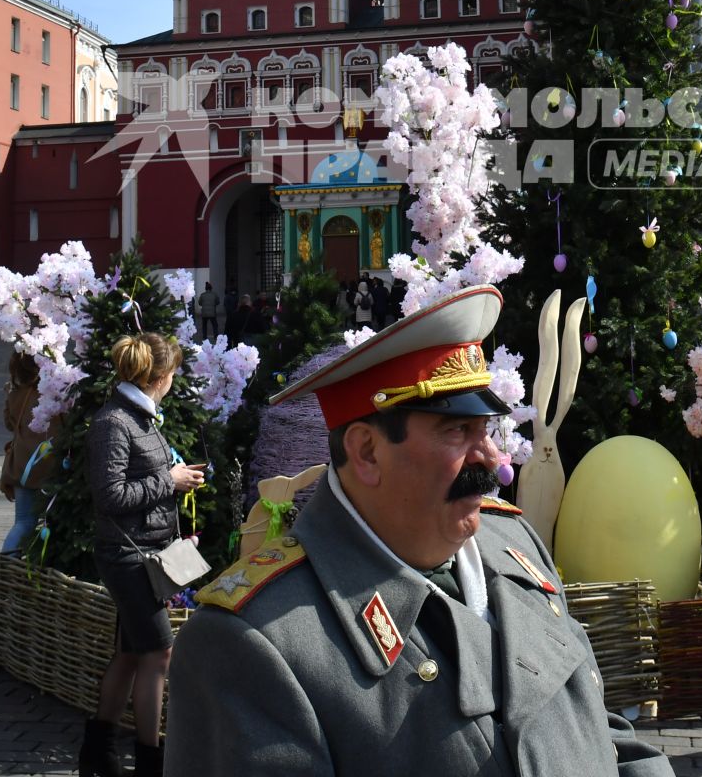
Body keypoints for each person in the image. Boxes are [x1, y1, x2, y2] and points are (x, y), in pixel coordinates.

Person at [165, 285, 672, 777]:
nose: (493, 461)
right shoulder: (252, 643)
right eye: (457, 431)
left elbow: (594, 725)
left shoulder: (514, 544)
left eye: (487, 431)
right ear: (366, 452)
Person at [80, 332, 202, 777]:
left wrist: (177, 478)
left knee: (132, 654)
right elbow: (109, 495)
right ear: (161, 377)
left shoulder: (142, 417)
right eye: (175, 373)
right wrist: (168, 482)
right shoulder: (116, 422)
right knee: (158, 656)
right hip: (127, 555)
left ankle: (98, 751)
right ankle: (151, 761)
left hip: (148, 548)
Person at [0, 350, 55, 553]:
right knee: (53, 523)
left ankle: (6, 562)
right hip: (50, 467)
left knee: (23, 522)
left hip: (23, 467)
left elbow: (9, 424)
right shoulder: (54, 390)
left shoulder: (16, 392)